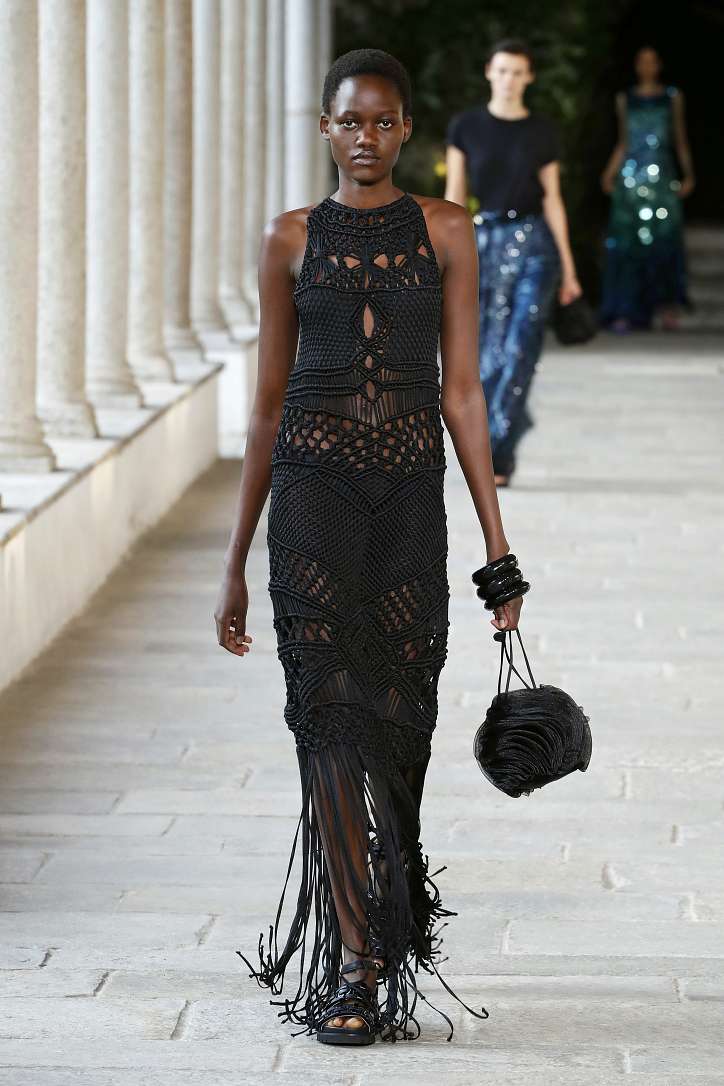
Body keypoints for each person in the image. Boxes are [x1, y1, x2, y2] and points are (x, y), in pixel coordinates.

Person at [214, 48, 528, 1045]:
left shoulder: (446, 230)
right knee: (330, 727)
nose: (366, 137)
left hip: (407, 507)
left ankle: (392, 890)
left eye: (383, 121)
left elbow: (463, 394)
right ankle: (353, 963)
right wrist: (234, 561)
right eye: (350, 121)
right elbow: (266, 406)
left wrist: (498, 551)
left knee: (400, 726)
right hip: (309, 503)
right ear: (325, 128)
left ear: (406, 130)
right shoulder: (288, 238)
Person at [444, 38, 581, 487]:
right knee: (487, 352)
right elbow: (455, 198)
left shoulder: (542, 131)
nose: (509, 80)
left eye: (518, 72)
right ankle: (503, 428)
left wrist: (570, 268)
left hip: (535, 244)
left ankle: (499, 453)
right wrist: (444, 258)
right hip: (483, 244)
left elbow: (553, 199)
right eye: (502, 70)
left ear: (529, 78)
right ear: (489, 72)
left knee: (522, 344)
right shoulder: (466, 127)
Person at [600, 45, 694, 332]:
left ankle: (666, 306)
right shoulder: (625, 99)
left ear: (659, 65)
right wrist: (610, 172)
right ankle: (626, 309)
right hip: (631, 178)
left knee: (664, 240)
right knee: (627, 243)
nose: (647, 66)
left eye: (652, 61)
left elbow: (679, 137)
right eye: (642, 61)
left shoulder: (672, 97)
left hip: (662, 177)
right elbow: (624, 141)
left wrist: (688, 173)